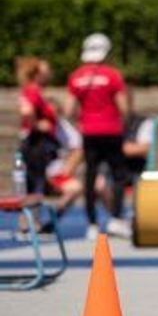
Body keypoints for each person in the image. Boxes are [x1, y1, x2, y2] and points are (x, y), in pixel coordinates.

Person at [63, 33, 131, 240]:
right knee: (118, 175)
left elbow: (68, 109)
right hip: (111, 130)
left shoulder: (76, 76)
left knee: (91, 176)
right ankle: (116, 219)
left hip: (89, 132)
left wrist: (83, 121)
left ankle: (92, 224)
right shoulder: (112, 75)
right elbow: (124, 107)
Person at [16, 58, 82, 232]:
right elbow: (26, 110)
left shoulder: (38, 92)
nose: (50, 73)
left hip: (44, 151)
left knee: (35, 184)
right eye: (46, 70)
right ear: (37, 74)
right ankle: (29, 222)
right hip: (36, 147)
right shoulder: (31, 91)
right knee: (34, 183)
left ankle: (34, 222)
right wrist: (37, 124)